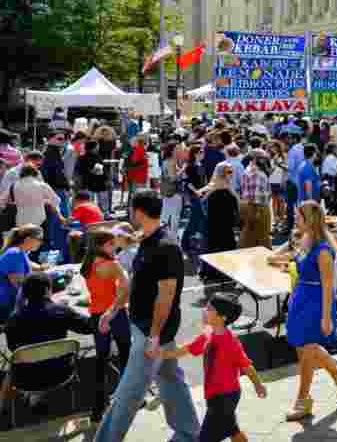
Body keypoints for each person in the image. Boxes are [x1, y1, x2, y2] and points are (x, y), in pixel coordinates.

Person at [93, 189, 201, 442]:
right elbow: (136, 281)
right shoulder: (149, 239)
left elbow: (166, 295)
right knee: (171, 380)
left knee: (127, 394)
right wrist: (113, 309)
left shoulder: (165, 247)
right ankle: (190, 432)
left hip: (152, 332)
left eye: (132, 209)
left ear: (138, 212)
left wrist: (154, 335)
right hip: (149, 329)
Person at [268, 201, 337, 421]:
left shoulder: (323, 249)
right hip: (301, 298)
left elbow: (327, 286)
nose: (295, 219)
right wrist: (277, 259)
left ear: (310, 220)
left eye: (298, 217)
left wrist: (326, 318)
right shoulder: (305, 241)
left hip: (315, 302)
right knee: (304, 349)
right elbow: (295, 259)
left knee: (307, 350)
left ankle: (303, 400)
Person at [157, 293, 267, 442]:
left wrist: (258, 385)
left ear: (223, 317)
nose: (205, 310)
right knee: (232, 429)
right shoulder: (208, 334)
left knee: (206, 438)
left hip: (225, 397)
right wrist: (162, 354)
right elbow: (188, 348)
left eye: (210, 308)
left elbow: (247, 366)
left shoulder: (231, 343)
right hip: (215, 395)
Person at [0, 272, 92, 414]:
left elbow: (13, 348)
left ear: (24, 293)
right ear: (48, 290)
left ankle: (5, 408)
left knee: (13, 367)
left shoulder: (14, 319)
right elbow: (88, 327)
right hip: (61, 371)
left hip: (26, 378)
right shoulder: (61, 311)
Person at [81, 229, 132, 421]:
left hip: (96, 314)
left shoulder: (88, 263)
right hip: (115, 315)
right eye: (112, 244)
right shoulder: (112, 265)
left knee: (101, 361)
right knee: (126, 354)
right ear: (102, 246)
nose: (115, 247)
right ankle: (127, 398)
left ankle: (97, 408)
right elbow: (126, 287)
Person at [0, 224, 44, 322]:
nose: (41, 242)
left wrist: (41, 268)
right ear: (28, 239)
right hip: (6, 306)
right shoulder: (14, 253)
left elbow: (28, 264)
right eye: (39, 239)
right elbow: (18, 283)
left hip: (11, 303)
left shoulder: (20, 252)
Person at [239, 152, 272, 249]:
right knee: (262, 242)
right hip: (257, 209)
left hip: (248, 207)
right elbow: (255, 197)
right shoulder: (259, 174)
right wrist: (257, 211)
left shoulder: (246, 172)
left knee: (247, 241)